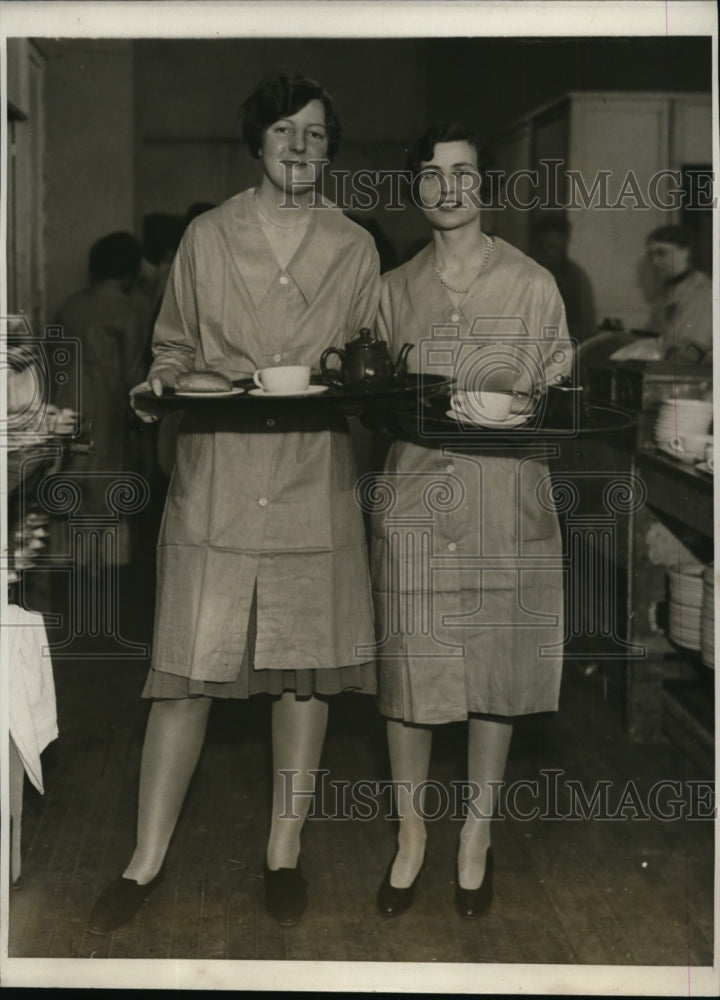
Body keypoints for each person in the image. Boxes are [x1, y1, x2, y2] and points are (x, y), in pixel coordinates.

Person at [87, 72, 380, 933]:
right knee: (184, 676)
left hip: (310, 475)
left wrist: (347, 377)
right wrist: (161, 382)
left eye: (317, 135)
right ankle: (144, 863)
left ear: (331, 150)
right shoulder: (208, 238)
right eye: (285, 132)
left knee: (305, 680)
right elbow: (171, 346)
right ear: (257, 144)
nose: (300, 148)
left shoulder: (356, 247)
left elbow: (368, 356)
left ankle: (283, 853)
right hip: (215, 477)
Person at [369, 123, 572, 919]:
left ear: (485, 184)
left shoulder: (531, 283)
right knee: (409, 679)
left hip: (504, 500)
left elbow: (560, 400)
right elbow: (373, 398)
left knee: (495, 675)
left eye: (463, 171)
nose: (447, 187)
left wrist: (520, 407)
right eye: (430, 174)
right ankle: (412, 835)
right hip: (417, 504)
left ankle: (475, 836)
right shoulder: (391, 289)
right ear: (415, 190)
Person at [54, 232, 151, 566]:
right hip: (107, 409)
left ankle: (73, 570)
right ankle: (103, 575)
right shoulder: (129, 311)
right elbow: (133, 376)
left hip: (67, 404)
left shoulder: (70, 305)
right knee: (106, 490)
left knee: (70, 485)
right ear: (130, 272)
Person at [643, 224, 712, 363]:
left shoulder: (706, 293)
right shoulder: (662, 296)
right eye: (651, 255)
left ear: (684, 252)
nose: (655, 262)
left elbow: (693, 351)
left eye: (662, 253)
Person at [529, 213, 596, 345]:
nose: (549, 252)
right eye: (545, 248)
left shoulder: (576, 278)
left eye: (553, 247)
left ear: (565, 241)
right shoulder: (528, 273)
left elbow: (586, 327)